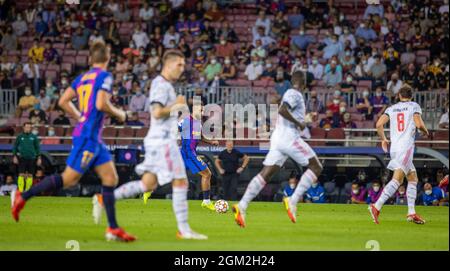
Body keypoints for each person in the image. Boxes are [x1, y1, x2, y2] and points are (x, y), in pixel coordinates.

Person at [11, 42, 136, 242]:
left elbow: (62, 101)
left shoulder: (82, 78)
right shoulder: (104, 76)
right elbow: (101, 104)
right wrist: (120, 114)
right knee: (69, 179)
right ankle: (22, 196)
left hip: (93, 137)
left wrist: (79, 116)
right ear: (107, 58)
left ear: (90, 59)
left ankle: (113, 228)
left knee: (110, 178)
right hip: (87, 137)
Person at [93, 50, 208, 240]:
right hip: (162, 140)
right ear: (168, 64)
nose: (182, 68)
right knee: (181, 181)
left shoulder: (166, 86)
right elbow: (156, 112)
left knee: (148, 184)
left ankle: (104, 199)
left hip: (158, 140)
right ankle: (184, 230)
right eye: (179, 64)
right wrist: (177, 105)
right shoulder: (160, 85)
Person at [232, 71, 323, 227]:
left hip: (277, 137)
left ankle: (242, 205)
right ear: (305, 84)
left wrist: (305, 119)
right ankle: (293, 200)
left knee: (266, 174)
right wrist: (300, 123)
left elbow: (284, 108)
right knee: (316, 166)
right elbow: (282, 110)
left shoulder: (289, 94)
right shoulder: (295, 93)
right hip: (289, 137)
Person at [369, 84, 429, 224]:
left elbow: (378, 124)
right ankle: (376, 206)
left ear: (399, 96)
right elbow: (419, 124)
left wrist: (384, 139)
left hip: (395, 148)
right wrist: (426, 131)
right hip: (406, 147)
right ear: (411, 96)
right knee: (397, 180)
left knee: (413, 178)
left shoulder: (391, 108)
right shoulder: (414, 106)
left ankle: (411, 213)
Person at [142, 100, 220, 208]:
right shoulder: (187, 121)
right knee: (207, 174)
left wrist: (211, 142)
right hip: (188, 153)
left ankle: (149, 190)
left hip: (185, 153)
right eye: (201, 110)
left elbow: (200, 137)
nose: (202, 113)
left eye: (203, 111)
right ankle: (206, 202)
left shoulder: (198, 123)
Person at [12, 122, 41, 193]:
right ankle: (21, 191)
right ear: (24, 127)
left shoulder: (34, 137)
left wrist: (39, 158)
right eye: (27, 127)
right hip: (22, 158)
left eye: (30, 127)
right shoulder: (20, 136)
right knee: (21, 174)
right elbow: (15, 147)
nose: (28, 128)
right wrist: (14, 156)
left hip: (32, 158)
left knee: (30, 175)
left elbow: (37, 148)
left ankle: (27, 191)